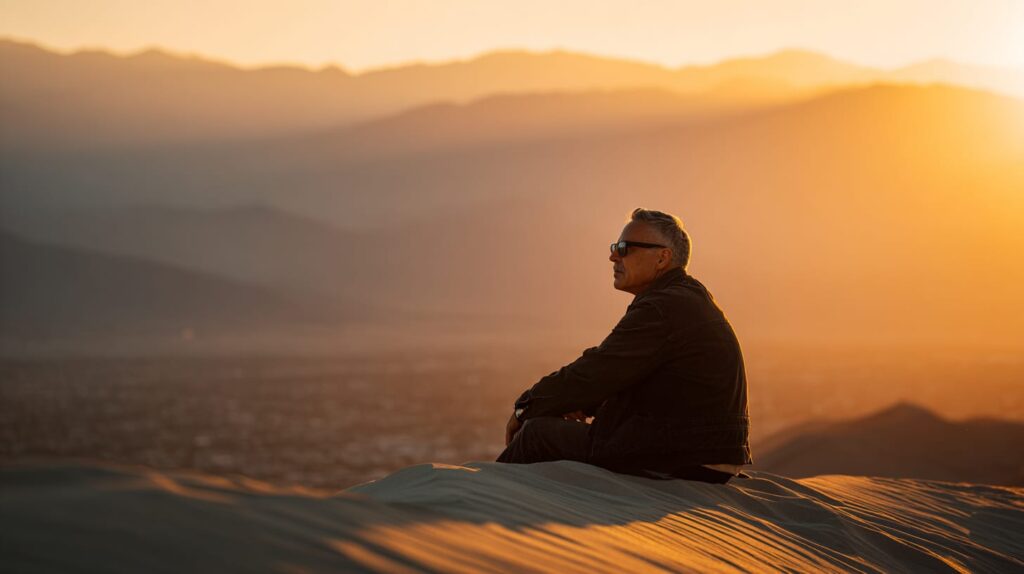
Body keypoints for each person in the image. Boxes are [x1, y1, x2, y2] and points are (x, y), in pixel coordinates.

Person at [496, 208, 751, 484]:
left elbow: (595, 371)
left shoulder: (662, 307)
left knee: (537, 433)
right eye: (614, 247)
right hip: (700, 449)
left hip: (682, 454)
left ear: (662, 258)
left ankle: (479, 503)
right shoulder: (686, 297)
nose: (613, 256)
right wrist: (581, 402)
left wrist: (526, 407)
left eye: (624, 248)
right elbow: (631, 377)